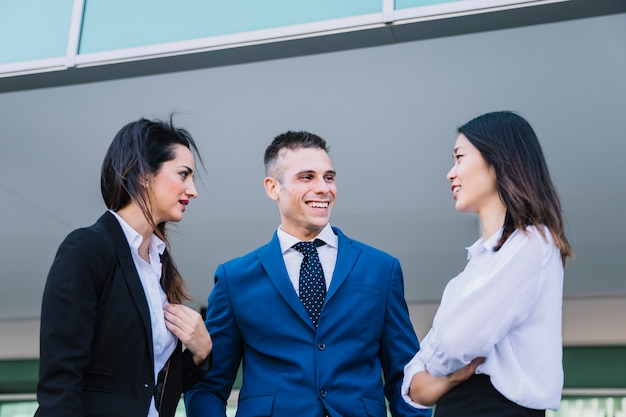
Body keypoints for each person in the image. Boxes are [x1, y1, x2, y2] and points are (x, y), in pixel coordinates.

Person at [185, 130, 430, 417]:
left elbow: (405, 375)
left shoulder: (381, 269)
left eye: (329, 177)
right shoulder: (234, 278)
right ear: (272, 188)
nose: (324, 188)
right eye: (307, 177)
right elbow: (209, 387)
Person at [35, 117, 213, 417]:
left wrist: (200, 351)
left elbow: (147, 383)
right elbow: (61, 380)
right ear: (143, 173)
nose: (192, 190)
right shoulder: (87, 249)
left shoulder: (160, 263)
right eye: (183, 174)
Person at [401, 111, 574, 416]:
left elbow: (454, 343)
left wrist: (435, 365)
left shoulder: (535, 242)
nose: (450, 173)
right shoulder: (464, 278)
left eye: (459, 158)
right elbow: (414, 389)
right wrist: (452, 376)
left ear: (498, 161)